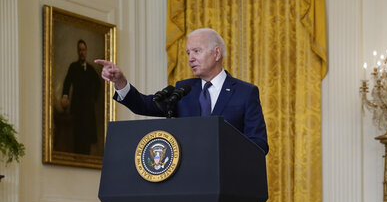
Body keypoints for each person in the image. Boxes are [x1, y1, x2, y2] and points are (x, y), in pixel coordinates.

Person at [94, 28, 269, 154]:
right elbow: (145, 105)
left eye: (196, 51)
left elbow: (259, 144)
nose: (190, 58)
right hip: (188, 182)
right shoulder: (184, 90)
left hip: (229, 181)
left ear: (216, 54)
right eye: (188, 53)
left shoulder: (245, 93)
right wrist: (121, 82)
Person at [61, 39, 102, 154]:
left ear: (86, 51)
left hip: (88, 109)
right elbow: (67, 83)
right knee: (77, 135)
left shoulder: (90, 69)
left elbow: (98, 84)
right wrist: (65, 96)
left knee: (87, 137)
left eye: (83, 50)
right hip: (77, 107)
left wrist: (93, 98)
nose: (82, 52)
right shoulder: (73, 67)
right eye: (80, 50)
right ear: (77, 51)